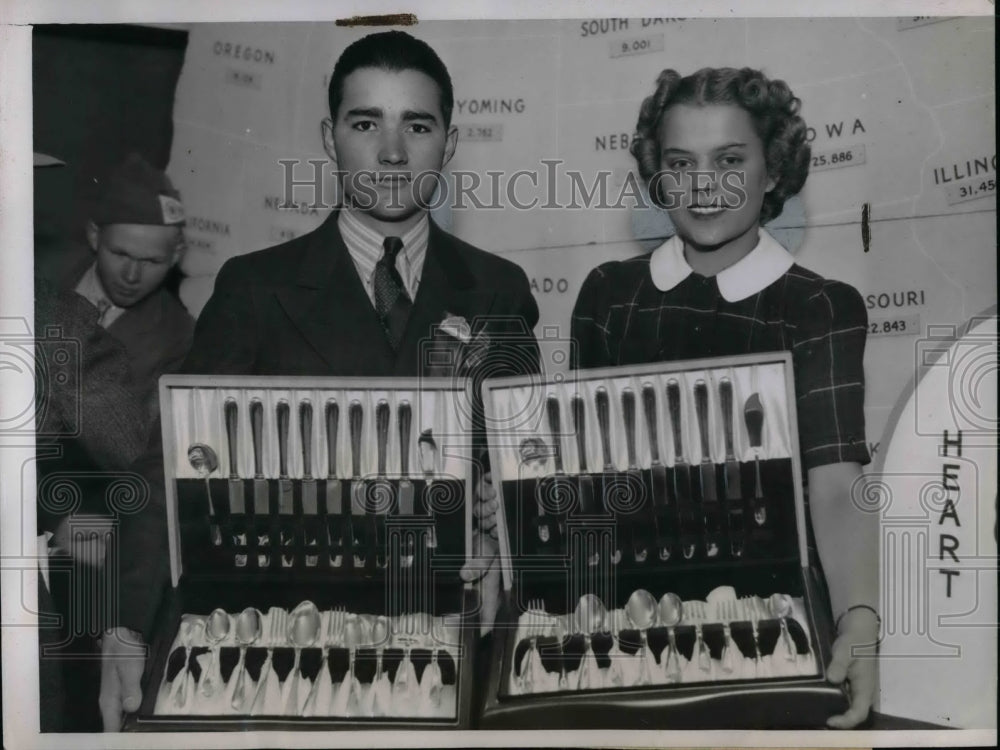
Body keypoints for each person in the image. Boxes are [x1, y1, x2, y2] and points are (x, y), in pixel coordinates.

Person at [99, 30, 539, 731]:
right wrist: (125, 627)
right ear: (329, 138)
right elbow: (169, 467)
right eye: (366, 123)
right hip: (287, 641)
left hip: (441, 637)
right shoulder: (253, 288)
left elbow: (518, 468)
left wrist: (501, 544)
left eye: (416, 126)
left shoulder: (499, 290)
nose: (392, 153)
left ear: (449, 144)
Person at [570, 67, 878, 729]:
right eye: (680, 163)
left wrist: (858, 619)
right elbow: (584, 482)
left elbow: (834, 484)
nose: (703, 186)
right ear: (658, 174)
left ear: (774, 173)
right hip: (625, 618)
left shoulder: (818, 305)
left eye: (731, 161)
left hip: (773, 615)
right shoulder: (607, 295)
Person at [46, 153, 195, 418]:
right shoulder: (37, 269)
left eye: (152, 261)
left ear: (176, 256)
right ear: (94, 236)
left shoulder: (178, 337)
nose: (131, 276)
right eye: (120, 254)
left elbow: (146, 443)